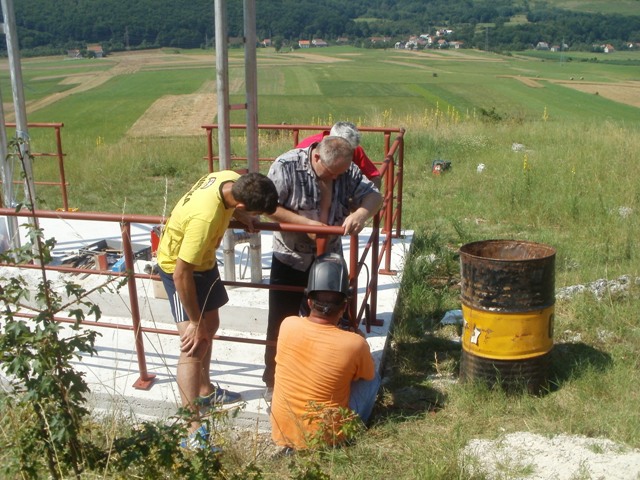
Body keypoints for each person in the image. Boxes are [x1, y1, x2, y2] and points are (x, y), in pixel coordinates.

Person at [156, 170, 278, 448]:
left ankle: (205, 390)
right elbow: (180, 274)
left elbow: (228, 208)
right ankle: (192, 430)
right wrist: (194, 322)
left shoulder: (229, 178)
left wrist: (242, 218)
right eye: (254, 213)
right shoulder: (205, 218)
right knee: (193, 343)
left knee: (211, 327)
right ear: (242, 204)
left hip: (204, 263)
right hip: (179, 269)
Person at [263, 135, 383, 394]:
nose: (335, 178)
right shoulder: (285, 166)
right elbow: (268, 206)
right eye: (330, 173)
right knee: (281, 320)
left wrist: (361, 212)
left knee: (331, 318)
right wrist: (305, 224)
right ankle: (274, 380)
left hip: (330, 258)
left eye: (340, 174)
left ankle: (327, 375)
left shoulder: (345, 168)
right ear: (316, 156)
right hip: (291, 257)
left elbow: (374, 196)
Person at [270, 253, 380, 450]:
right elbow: (367, 376)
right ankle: (348, 436)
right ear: (345, 307)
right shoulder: (354, 344)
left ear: (310, 302)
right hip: (325, 440)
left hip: (281, 431)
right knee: (373, 376)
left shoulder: (287, 324)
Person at [296, 121, 382, 189]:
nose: (348, 152)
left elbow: (374, 177)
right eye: (343, 149)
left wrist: (365, 203)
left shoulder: (354, 149)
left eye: (350, 150)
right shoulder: (303, 151)